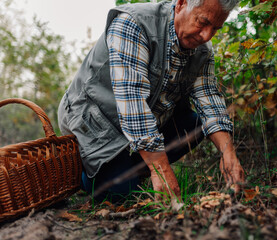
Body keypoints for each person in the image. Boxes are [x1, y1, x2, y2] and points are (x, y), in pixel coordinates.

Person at [58, 0, 245, 202]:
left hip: (141, 123)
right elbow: (133, 101)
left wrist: (228, 154)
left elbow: (208, 97)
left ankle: (133, 167)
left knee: (195, 125)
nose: (206, 35)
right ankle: (86, 174)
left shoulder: (203, 50)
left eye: (215, 28)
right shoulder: (133, 24)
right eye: (202, 22)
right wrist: (161, 169)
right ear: (181, 4)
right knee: (120, 194)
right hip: (95, 124)